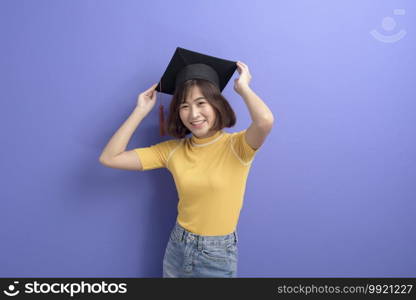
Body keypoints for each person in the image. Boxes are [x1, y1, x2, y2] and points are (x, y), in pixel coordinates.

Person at [99, 48, 274, 277]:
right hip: (177, 247)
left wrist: (243, 88)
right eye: (184, 106)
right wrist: (140, 112)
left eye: (201, 103)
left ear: (216, 105)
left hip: (217, 254)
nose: (193, 114)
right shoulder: (172, 151)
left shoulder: (238, 146)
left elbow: (264, 121)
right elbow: (110, 157)